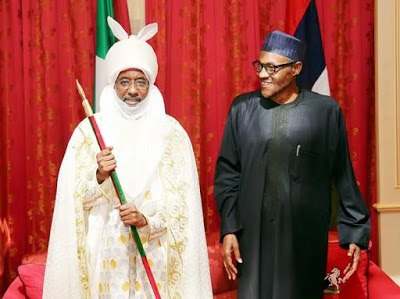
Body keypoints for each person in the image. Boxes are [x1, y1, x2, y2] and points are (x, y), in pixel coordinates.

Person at [43, 17, 212, 299]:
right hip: (106, 257)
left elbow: (183, 209)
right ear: (112, 83)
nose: (132, 91)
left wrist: (145, 219)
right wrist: (98, 176)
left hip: (155, 255)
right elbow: (71, 204)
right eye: (124, 81)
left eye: (140, 82)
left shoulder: (171, 133)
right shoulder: (89, 132)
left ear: (151, 84)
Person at [214, 30, 370, 299]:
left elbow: (342, 172)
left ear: (296, 68)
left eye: (272, 68)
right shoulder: (242, 109)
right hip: (253, 238)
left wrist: (356, 230)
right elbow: (228, 174)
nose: (263, 74)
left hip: (303, 238)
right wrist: (229, 228)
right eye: (260, 66)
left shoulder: (325, 111)